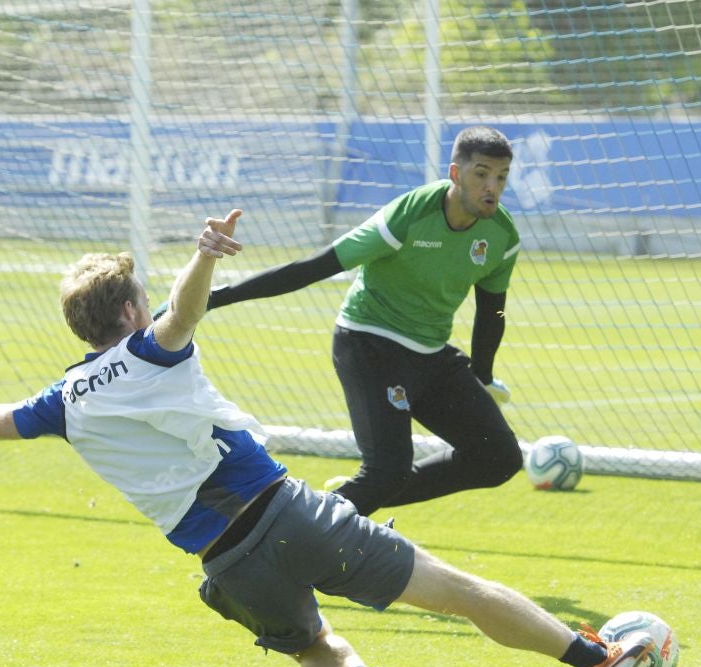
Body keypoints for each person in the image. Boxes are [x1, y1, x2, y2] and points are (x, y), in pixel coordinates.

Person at [0, 208, 656, 667]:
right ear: (128, 314)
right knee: (456, 592)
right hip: (290, 513)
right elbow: (184, 311)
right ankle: (598, 660)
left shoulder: (65, 398)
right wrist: (205, 253)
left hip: (225, 563)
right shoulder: (151, 347)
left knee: (312, 647)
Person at [203, 126, 524, 517]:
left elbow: (493, 312)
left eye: (501, 177)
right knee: (387, 470)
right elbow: (313, 267)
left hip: (431, 353)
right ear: (456, 174)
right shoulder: (409, 215)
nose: (492, 186)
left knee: (499, 457)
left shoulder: (502, 235)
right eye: (482, 173)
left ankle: (345, 503)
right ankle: (299, 526)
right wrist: (214, 298)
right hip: (370, 342)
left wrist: (484, 376)